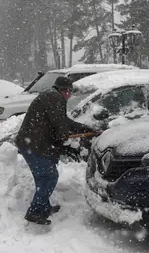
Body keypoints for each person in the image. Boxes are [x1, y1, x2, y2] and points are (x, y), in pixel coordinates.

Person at [15, 76, 98, 225]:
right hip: (33, 144)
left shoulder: (52, 96)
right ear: (64, 90)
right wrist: (64, 138)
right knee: (49, 176)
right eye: (69, 92)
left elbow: (62, 120)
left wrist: (83, 128)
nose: (69, 95)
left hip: (32, 143)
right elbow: (60, 125)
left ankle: (44, 207)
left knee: (43, 178)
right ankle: (35, 212)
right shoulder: (54, 98)